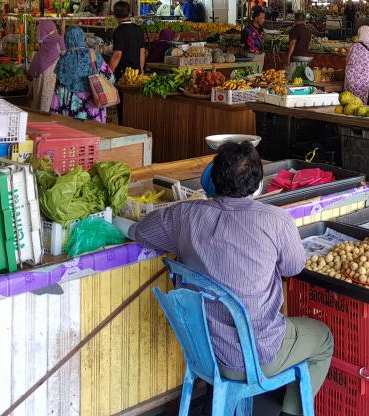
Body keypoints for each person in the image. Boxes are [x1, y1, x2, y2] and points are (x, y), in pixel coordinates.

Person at [130, 143, 333, 416]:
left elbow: (141, 230)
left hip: (202, 351)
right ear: (259, 185)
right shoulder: (277, 221)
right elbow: (294, 267)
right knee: (324, 340)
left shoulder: (186, 214)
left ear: (213, 180)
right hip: (258, 357)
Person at [52, 27, 115, 122]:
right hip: (93, 103)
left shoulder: (63, 60)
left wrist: (54, 111)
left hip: (71, 106)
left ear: (66, 40)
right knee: (94, 133)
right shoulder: (94, 55)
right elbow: (110, 78)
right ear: (82, 38)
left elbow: (59, 89)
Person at [28, 19, 64, 112]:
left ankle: (35, 116)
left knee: (38, 94)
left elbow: (39, 41)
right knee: (46, 97)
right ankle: (44, 117)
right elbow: (64, 52)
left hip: (38, 69)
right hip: (51, 73)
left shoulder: (43, 44)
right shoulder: (58, 40)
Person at [108, 1, 146, 79]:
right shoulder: (138, 29)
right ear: (130, 13)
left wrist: (108, 73)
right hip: (136, 72)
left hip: (124, 73)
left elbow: (117, 55)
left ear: (115, 15)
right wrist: (141, 70)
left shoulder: (119, 31)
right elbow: (142, 51)